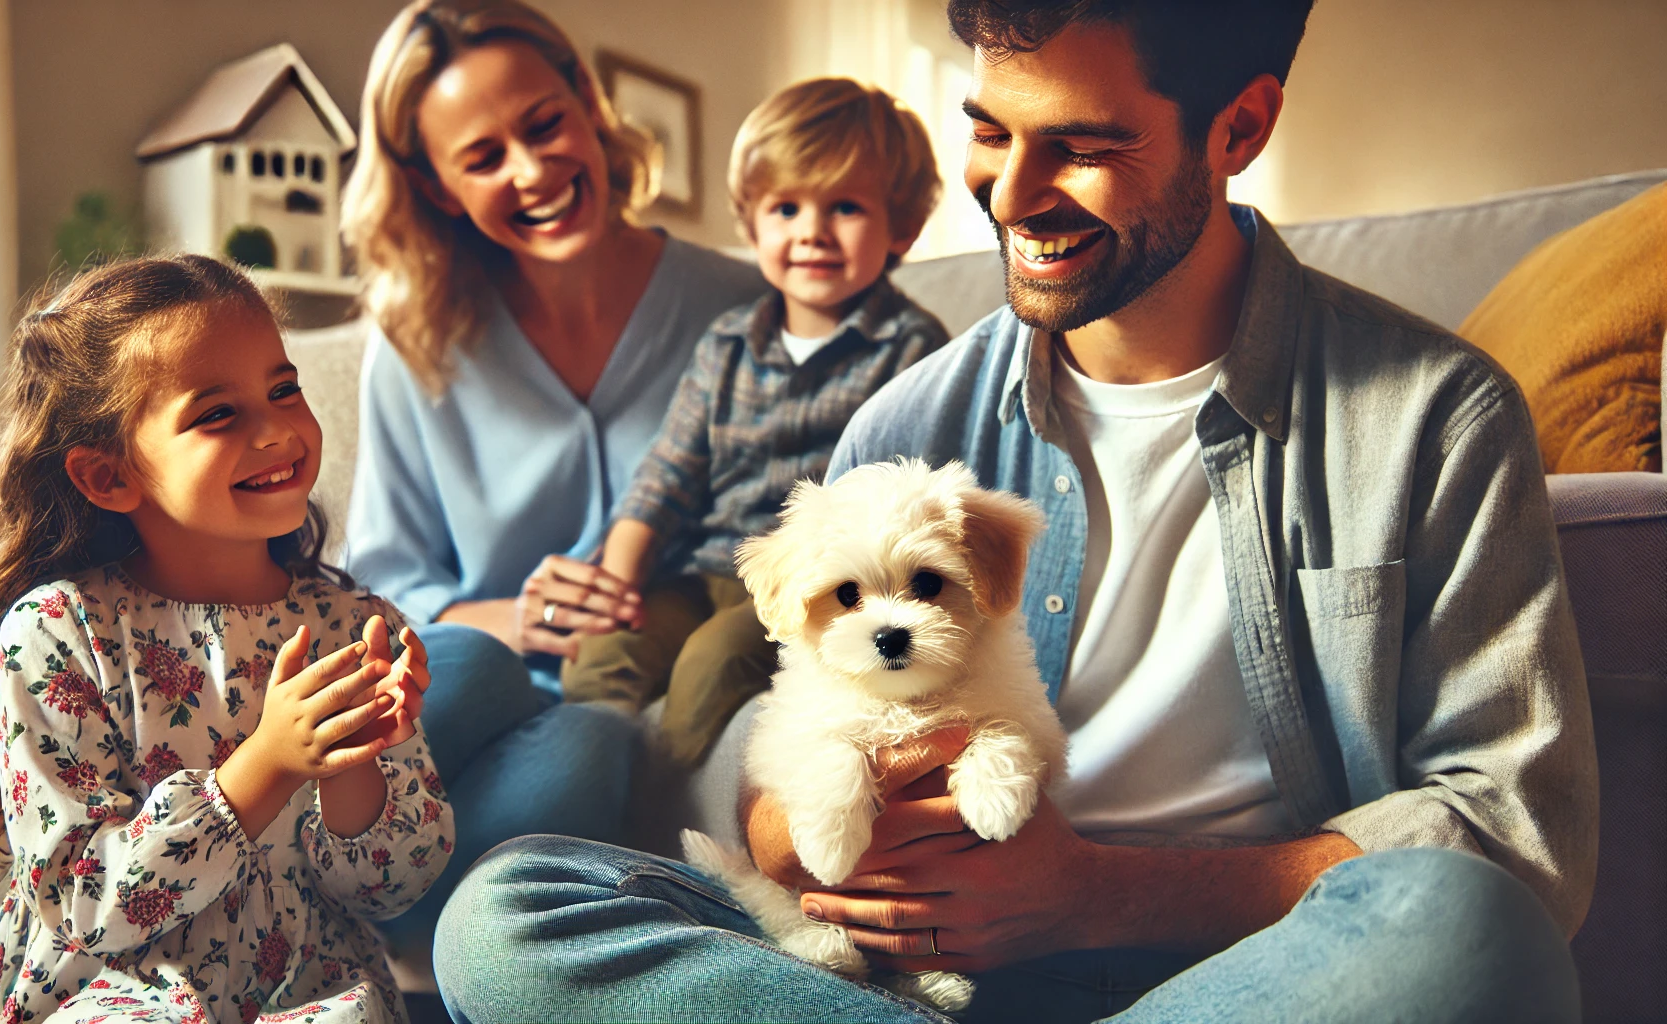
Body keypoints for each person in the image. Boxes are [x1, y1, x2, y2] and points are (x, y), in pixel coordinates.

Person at [430, 2, 1598, 1021]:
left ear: (1238, 127)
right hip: (904, 968)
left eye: (1083, 146)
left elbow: (1517, 832)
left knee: (1468, 927)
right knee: (504, 913)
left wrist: (1091, 894)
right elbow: (782, 755)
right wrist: (805, 832)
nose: (1014, 193)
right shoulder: (907, 421)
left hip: (1253, 963)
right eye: (990, 131)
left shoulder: (1432, 418)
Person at [339, 0, 766, 953]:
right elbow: (379, 596)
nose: (532, 173)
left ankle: (374, 931)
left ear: (586, 102)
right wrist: (515, 618)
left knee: (595, 744)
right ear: (439, 188)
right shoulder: (413, 350)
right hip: (464, 685)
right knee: (468, 663)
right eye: (483, 158)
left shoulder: (744, 309)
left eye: (543, 125)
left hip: (596, 708)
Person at [0, 256, 451, 1024]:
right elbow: (86, 905)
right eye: (219, 414)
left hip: (308, 987)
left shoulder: (354, 622)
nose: (279, 429)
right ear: (109, 477)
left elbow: (390, 891)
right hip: (113, 989)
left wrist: (353, 764)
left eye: (284, 389)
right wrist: (268, 764)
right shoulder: (56, 631)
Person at [560, 77, 951, 767]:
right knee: (606, 653)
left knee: (711, 664)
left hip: (811, 587)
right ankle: (585, 777)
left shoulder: (913, 348)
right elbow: (667, 475)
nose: (811, 231)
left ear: (904, 227)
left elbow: (902, 505)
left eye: (846, 208)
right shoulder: (727, 344)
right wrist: (618, 583)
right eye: (786, 207)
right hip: (701, 568)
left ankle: (664, 806)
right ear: (751, 224)